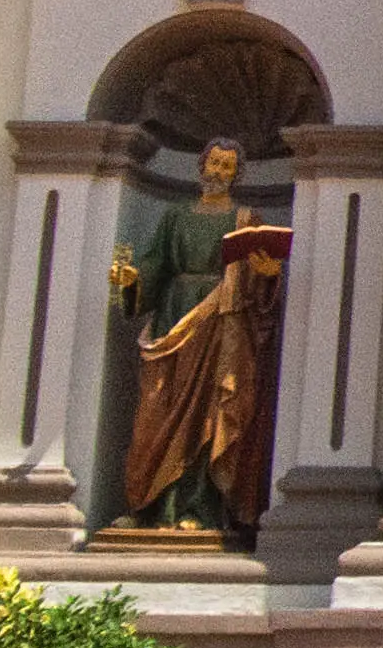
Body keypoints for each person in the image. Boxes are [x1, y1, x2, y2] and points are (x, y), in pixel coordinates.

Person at [106, 138, 285, 541]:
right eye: (214, 163)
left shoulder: (245, 219)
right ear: (200, 166)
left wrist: (268, 273)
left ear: (237, 174)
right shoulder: (175, 216)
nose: (219, 172)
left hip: (223, 328)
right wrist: (132, 281)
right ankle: (149, 506)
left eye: (227, 166)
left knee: (210, 415)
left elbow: (259, 295)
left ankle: (200, 509)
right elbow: (154, 266)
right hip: (175, 319)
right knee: (159, 410)